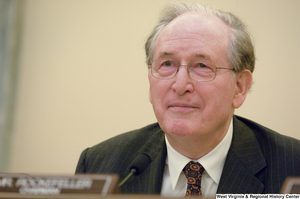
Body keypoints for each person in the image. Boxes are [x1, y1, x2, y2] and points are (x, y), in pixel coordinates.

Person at [75, 2, 300, 197]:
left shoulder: (292, 164)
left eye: (202, 66)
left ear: (239, 87)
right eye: (167, 64)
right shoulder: (100, 165)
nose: (180, 85)